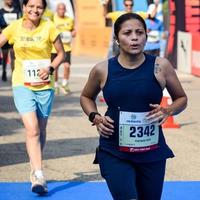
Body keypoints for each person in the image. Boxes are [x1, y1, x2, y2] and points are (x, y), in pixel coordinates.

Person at [80, 13, 187, 200]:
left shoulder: (161, 66)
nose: (135, 37)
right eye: (127, 33)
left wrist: (169, 110)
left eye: (140, 32)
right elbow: (86, 97)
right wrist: (95, 117)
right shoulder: (102, 69)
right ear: (117, 39)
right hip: (114, 149)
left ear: (146, 36)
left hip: (152, 151)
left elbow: (181, 98)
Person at [0, 0, 64, 195]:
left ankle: (34, 164)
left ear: (43, 9)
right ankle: (38, 174)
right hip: (22, 84)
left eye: (39, 7)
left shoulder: (49, 27)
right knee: (33, 129)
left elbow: (61, 53)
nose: (35, 10)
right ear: (24, 7)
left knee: (41, 129)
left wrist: (51, 67)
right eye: (31, 6)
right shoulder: (14, 27)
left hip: (45, 86)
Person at [51, 2, 76, 95]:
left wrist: (73, 32)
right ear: (57, 10)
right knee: (55, 68)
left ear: (65, 10)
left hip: (66, 48)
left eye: (63, 9)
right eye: (60, 9)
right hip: (54, 48)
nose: (61, 11)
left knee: (67, 66)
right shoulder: (52, 19)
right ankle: (56, 85)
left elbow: (73, 30)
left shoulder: (69, 19)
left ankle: (65, 84)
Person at [0, 0, 21, 81]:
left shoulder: (17, 11)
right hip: (5, 36)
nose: (10, 1)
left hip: (15, 37)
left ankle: (13, 75)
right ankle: (4, 71)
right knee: (5, 56)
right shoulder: (1, 11)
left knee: (13, 56)